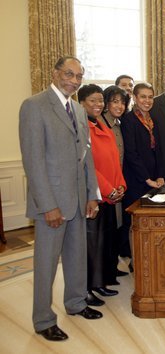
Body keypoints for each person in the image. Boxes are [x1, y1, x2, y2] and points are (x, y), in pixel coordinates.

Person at [19, 56, 102, 342]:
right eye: (69, 74)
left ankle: (76, 302)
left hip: (78, 199)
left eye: (79, 76)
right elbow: (33, 161)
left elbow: (86, 156)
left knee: (76, 256)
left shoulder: (78, 110)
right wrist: (47, 205)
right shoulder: (34, 106)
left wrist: (92, 194)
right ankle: (43, 320)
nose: (75, 80)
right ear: (55, 73)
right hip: (52, 203)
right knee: (46, 262)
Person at [78, 84, 126, 305]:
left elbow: (114, 160)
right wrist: (108, 189)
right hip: (94, 196)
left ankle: (98, 284)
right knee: (89, 246)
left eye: (100, 101)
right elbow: (88, 166)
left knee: (102, 244)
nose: (97, 105)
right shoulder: (81, 127)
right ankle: (85, 289)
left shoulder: (103, 125)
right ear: (81, 103)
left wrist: (121, 186)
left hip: (110, 195)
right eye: (92, 101)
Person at [121, 83, 164, 267]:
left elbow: (159, 150)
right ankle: (135, 261)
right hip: (137, 179)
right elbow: (131, 153)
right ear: (135, 98)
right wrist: (147, 178)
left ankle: (148, 259)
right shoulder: (129, 120)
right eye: (143, 97)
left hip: (154, 179)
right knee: (135, 223)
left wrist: (160, 176)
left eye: (150, 97)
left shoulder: (154, 119)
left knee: (150, 223)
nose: (147, 101)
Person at [101, 86, 131, 270]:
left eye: (122, 102)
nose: (119, 106)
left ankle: (110, 270)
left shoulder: (118, 124)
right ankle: (102, 275)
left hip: (117, 185)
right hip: (104, 189)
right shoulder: (100, 124)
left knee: (115, 229)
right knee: (103, 233)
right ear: (106, 103)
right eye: (115, 101)